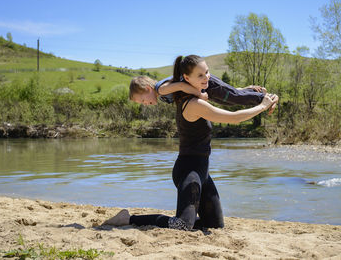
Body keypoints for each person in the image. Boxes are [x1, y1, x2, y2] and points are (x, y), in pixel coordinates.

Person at [103, 55, 278, 230]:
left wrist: (245, 91)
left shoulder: (194, 96)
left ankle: (185, 218)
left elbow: (222, 94)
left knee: (215, 225)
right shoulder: (192, 104)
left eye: (206, 73)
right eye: (200, 76)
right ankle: (129, 219)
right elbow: (234, 118)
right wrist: (262, 106)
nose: (206, 78)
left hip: (203, 171)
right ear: (187, 79)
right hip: (188, 170)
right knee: (182, 224)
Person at [129, 69, 277, 114]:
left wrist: (199, 95)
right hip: (208, 89)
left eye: (143, 100)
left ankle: (264, 98)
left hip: (207, 85)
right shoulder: (162, 95)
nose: (145, 104)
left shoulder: (161, 89)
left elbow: (181, 86)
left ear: (148, 89)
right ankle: (250, 90)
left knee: (234, 98)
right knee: (230, 98)